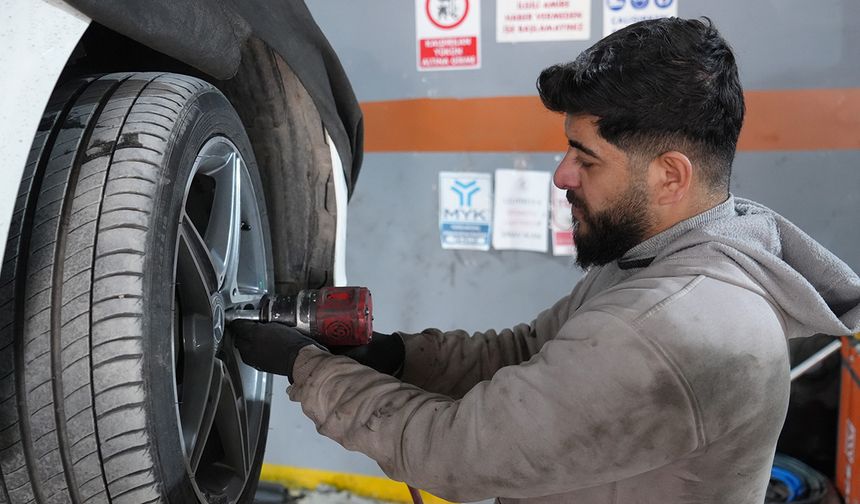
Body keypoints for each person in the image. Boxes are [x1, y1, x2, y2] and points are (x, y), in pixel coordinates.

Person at [231, 17, 860, 503]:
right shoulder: (658, 260)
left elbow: (454, 453)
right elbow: (527, 352)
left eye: (586, 158)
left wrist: (306, 367)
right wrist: (392, 355)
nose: (561, 175)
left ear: (670, 175)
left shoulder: (673, 325)